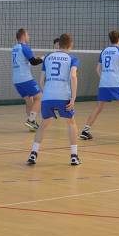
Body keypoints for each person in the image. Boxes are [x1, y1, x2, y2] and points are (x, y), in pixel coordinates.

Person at [27, 34, 81, 166]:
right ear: (70, 45)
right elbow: (73, 77)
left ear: (59, 44)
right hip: (64, 96)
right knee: (71, 123)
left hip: (48, 96)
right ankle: (74, 156)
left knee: (43, 124)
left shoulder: (48, 57)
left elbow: (41, 81)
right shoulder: (72, 59)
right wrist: (73, 98)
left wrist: (47, 94)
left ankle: (33, 153)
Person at [11, 28, 44, 132]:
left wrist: (37, 58)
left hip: (16, 80)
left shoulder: (15, 48)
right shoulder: (24, 47)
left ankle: (31, 125)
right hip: (25, 78)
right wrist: (43, 59)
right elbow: (33, 62)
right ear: (23, 36)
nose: (29, 36)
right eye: (27, 35)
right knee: (39, 98)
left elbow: (25, 60)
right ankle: (31, 120)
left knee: (29, 100)